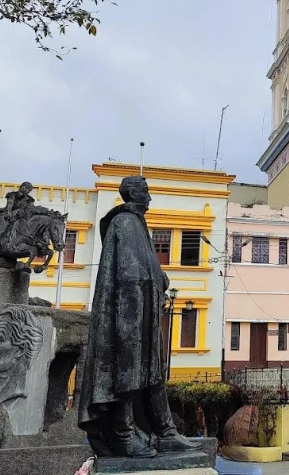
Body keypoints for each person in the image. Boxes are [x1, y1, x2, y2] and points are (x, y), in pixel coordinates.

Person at [77, 176, 196, 457]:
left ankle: (166, 432)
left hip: (145, 312)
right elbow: (128, 274)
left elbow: (145, 267)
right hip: (128, 314)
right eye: (144, 192)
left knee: (153, 374)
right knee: (127, 376)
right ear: (132, 194)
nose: (149, 197)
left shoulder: (137, 224)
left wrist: (159, 278)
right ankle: (123, 435)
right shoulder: (125, 222)